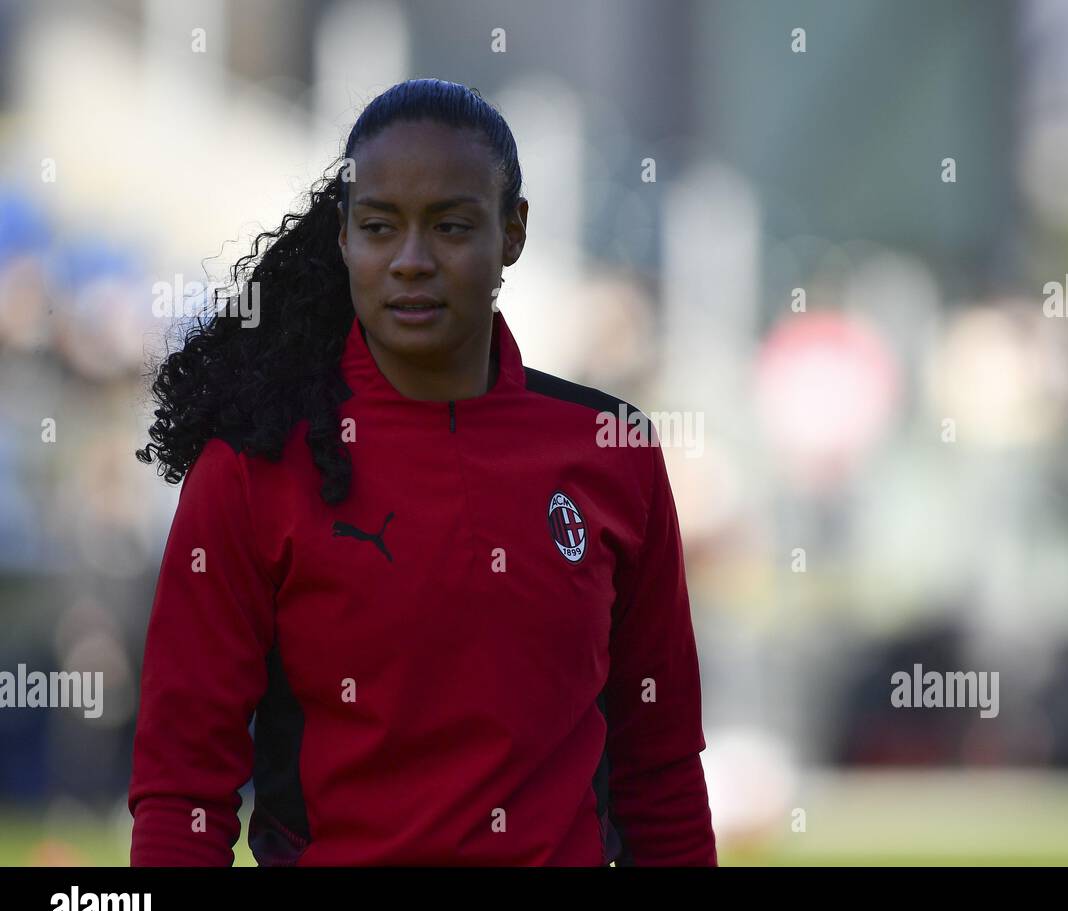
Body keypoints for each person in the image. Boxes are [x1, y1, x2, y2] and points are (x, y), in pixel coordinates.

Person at [129, 78, 716, 866]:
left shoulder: (613, 449)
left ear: (512, 233)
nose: (411, 261)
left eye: (450, 226)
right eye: (379, 227)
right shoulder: (251, 468)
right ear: (343, 238)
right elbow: (182, 793)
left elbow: (662, 771)